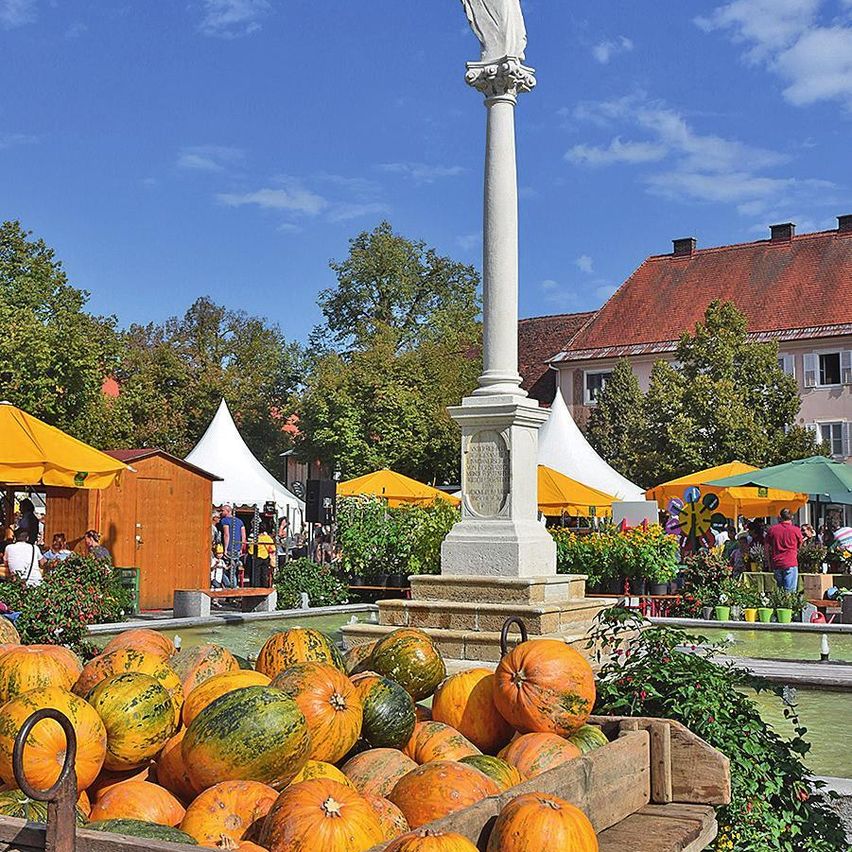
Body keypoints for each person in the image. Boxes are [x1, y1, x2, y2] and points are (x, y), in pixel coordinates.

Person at [766, 508, 803, 592]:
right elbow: (800, 545)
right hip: (790, 562)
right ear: (792, 517)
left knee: (780, 591)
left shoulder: (772, 530)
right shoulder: (796, 530)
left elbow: (767, 547)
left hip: (777, 562)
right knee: (789, 592)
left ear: (780, 517)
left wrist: (769, 562)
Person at [219, 504, 245, 587]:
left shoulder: (225, 521)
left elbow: (226, 534)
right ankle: (233, 589)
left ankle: (230, 589)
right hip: (237, 548)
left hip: (230, 548)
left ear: (228, 511)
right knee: (234, 570)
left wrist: (225, 549)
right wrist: (241, 548)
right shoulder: (240, 521)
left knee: (226, 570)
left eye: (223, 510)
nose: (221, 512)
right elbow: (243, 536)